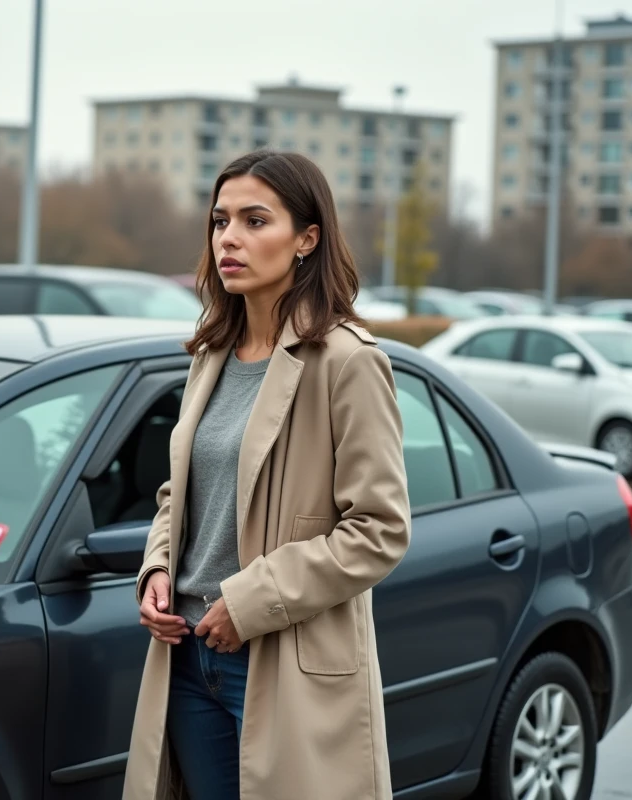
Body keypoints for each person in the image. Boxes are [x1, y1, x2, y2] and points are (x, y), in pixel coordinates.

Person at [121, 150, 412, 800]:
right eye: (221, 220)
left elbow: (379, 530)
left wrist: (251, 603)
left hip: (283, 660)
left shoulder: (347, 361)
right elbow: (181, 491)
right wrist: (157, 570)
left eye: (256, 220)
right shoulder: (209, 355)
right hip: (189, 656)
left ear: (307, 238)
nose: (230, 237)